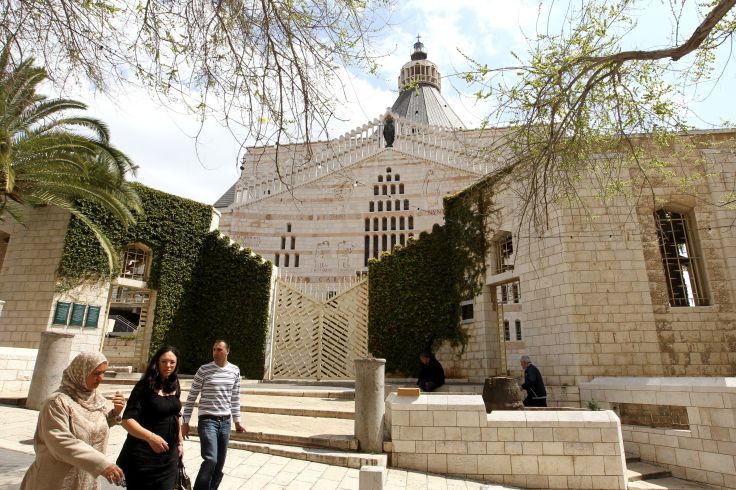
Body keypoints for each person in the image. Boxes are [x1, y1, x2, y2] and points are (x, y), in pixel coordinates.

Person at [20, 351, 126, 489]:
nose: (101, 378)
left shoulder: (96, 399)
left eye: (103, 372)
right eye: (95, 373)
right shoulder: (57, 402)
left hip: (86, 480)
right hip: (56, 481)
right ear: (80, 372)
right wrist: (102, 464)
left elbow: (92, 429)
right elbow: (61, 441)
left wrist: (115, 413)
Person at [116, 345, 183, 490]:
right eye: (164, 361)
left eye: (172, 362)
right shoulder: (144, 386)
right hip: (144, 456)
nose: (168, 366)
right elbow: (127, 420)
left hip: (169, 457)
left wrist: (180, 442)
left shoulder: (175, 385)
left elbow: (176, 415)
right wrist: (151, 437)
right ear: (157, 362)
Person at [182, 340, 245, 490]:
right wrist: (185, 422)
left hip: (225, 422)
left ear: (227, 351)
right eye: (214, 350)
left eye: (219, 350)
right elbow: (192, 396)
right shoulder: (204, 370)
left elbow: (235, 398)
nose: (215, 353)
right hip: (207, 420)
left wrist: (237, 421)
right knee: (211, 459)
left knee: (220, 463)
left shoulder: (235, 370)